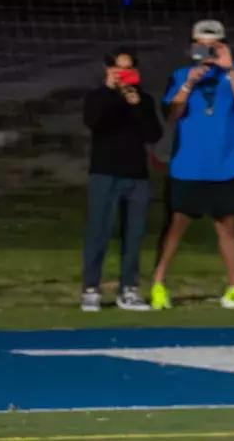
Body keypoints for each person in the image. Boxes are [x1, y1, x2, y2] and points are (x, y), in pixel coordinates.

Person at [149, 19, 234, 311]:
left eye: (214, 45)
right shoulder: (180, 75)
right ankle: (158, 284)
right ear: (192, 46)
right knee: (175, 226)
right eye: (202, 45)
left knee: (227, 226)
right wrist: (190, 82)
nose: (207, 51)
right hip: (189, 165)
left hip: (228, 163)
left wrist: (230, 68)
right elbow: (173, 113)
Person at [79, 47, 164, 312]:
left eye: (128, 70)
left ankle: (129, 288)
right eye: (118, 69)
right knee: (99, 232)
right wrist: (110, 92)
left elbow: (153, 134)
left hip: (136, 175)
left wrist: (135, 104)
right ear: (108, 70)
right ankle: (91, 288)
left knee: (134, 235)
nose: (123, 75)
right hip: (105, 173)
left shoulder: (144, 99)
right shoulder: (96, 97)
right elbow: (94, 121)